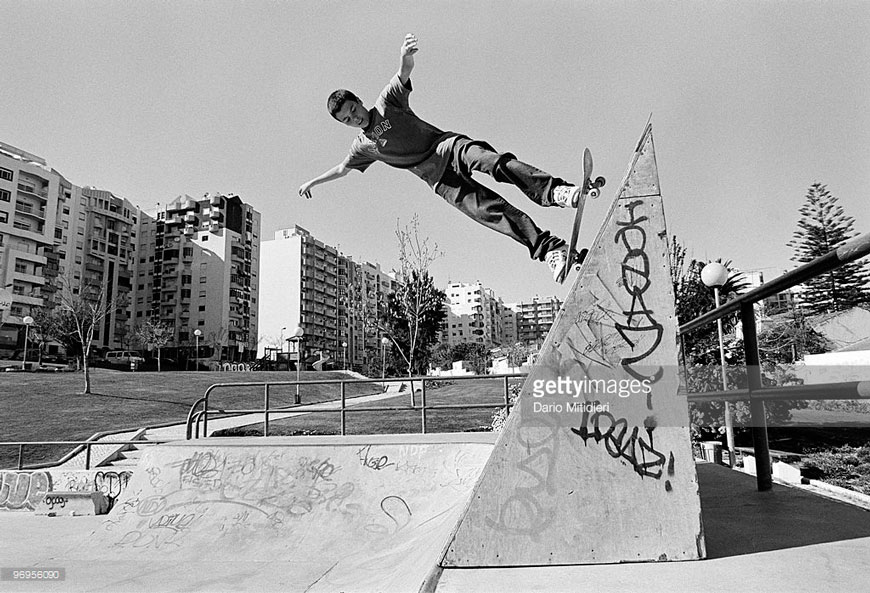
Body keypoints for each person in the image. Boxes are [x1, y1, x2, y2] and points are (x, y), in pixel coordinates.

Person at [298, 33, 586, 282]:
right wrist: (313, 182)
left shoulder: (387, 103)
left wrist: (405, 56)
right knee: (491, 213)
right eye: (348, 119)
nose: (355, 118)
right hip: (440, 181)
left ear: (359, 101)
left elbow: (403, 73)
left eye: (354, 110)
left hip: (447, 147)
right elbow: (342, 169)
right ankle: (551, 249)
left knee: (492, 163)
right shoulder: (362, 147)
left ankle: (554, 191)